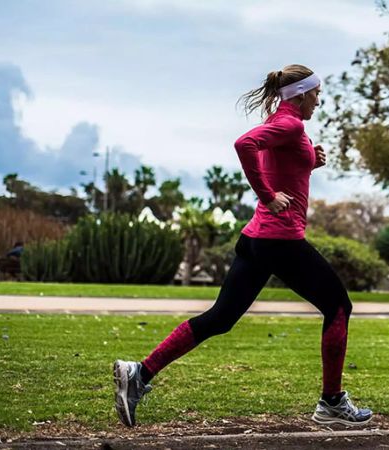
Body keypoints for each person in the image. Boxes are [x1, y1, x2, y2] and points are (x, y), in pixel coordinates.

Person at [113, 64, 372, 428]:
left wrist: (312, 161)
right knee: (339, 307)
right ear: (299, 95)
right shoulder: (290, 124)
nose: (319, 100)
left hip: (255, 240)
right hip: (280, 240)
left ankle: (139, 373)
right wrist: (267, 195)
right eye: (315, 94)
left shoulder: (280, 122)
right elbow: (243, 144)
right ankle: (331, 402)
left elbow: (282, 162)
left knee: (220, 318)